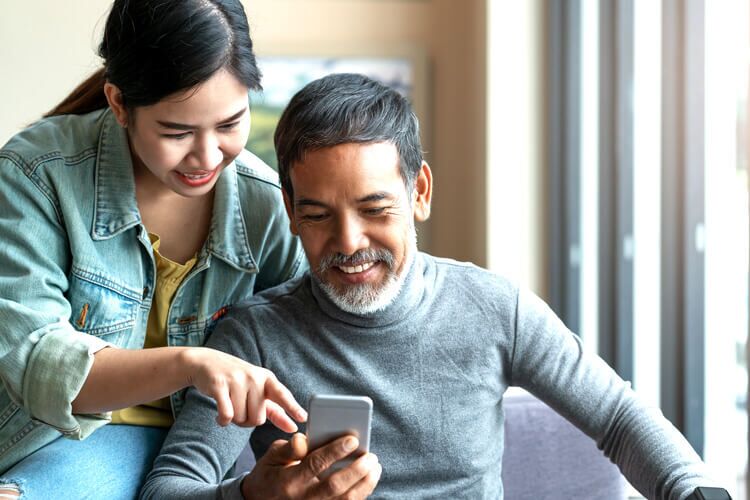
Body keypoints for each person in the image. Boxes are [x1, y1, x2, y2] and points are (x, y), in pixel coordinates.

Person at [140, 73, 727, 500]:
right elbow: (169, 488)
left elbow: (619, 419)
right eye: (317, 215)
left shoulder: (496, 309)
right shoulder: (255, 337)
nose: (348, 244)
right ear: (289, 210)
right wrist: (251, 497)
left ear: (419, 192)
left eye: (375, 208)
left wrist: (694, 489)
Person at [0, 1, 313, 498]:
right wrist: (190, 364)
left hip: (199, 448)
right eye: (177, 132)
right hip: (56, 436)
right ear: (119, 103)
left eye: (230, 125)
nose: (208, 157)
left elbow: (316, 339)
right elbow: (37, 363)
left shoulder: (265, 206)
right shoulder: (37, 175)